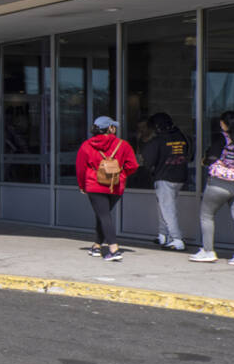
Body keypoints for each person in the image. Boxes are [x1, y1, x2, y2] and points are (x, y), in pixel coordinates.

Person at [191, 111, 234, 266]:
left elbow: (212, 157)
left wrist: (204, 161)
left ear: (223, 123)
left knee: (207, 215)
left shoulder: (221, 138)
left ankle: (208, 251)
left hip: (219, 183)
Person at [74, 116, 138, 261]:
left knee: (103, 216)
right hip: (115, 186)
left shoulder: (86, 145)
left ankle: (113, 249)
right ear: (110, 128)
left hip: (94, 185)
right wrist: (121, 175)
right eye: (113, 126)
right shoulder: (123, 145)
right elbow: (132, 166)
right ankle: (97, 246)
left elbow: (80, 169)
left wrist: (82, 186)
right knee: (103, 215)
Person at [145, 112, 191, 251]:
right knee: (164, 207)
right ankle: (163, 235)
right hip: (180, 176)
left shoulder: (158, 140)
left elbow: (149, 160)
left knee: (167, 209)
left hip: (164, 177)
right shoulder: (183, 137)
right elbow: (191, 154)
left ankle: (177, 239)